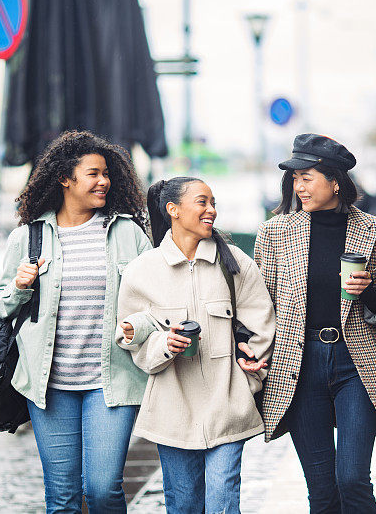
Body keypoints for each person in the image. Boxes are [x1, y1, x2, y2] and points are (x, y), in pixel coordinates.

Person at [0, 131, 152, 513]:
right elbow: (1, 305)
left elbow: (157, 301)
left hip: (110, 382)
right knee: (61, 498)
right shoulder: (28, 237)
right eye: (93, 173)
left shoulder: (127, 233)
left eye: (107, 174)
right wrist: (19, 286)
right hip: (49, 385)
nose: (104, 182)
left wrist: (139, 328)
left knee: (102, 489)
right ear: (66, 178)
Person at [255, 134, 376, 513]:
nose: (299, 186)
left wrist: (370, 293)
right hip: (298, 365)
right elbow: (258, 307)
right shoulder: (275, 232)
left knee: (353, 479)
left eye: (307, 177)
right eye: (295, 179)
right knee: (322, 492)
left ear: (335, 181)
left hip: (356, 365)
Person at [115, 177, 275, 514]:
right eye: (202, 202)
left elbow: (261, 319)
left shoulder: (235, 263)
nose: (211, 210)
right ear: (173, 209)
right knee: (184, 504)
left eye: (213, 202)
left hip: (227, 405)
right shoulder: (140, 272)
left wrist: (250, 372)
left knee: (222, 501)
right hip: (172, 410)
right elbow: (132, 335)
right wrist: (164, 344)